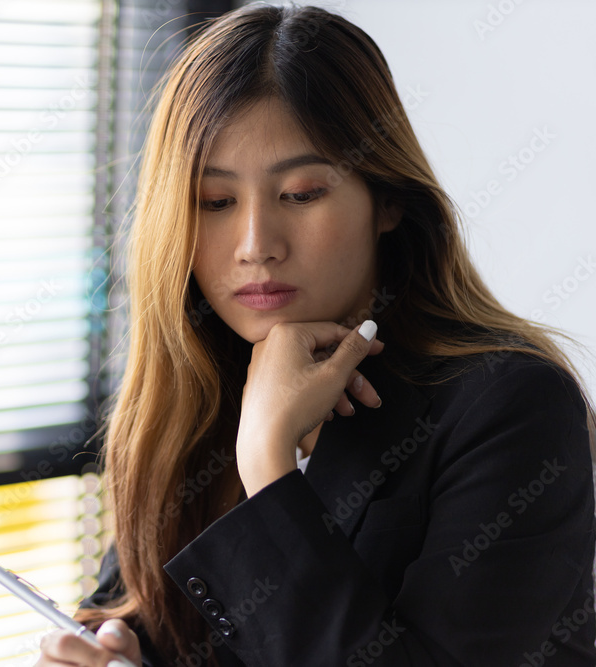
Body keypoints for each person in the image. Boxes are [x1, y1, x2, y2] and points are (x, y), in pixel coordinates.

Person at [34, 3, 596, 665]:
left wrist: (268, 464)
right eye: (215, 203)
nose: (256, 245)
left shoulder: (513, 406)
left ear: (388, 199)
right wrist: (106, 650)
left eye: (300, 194)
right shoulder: (198, 392)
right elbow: (131, 614)